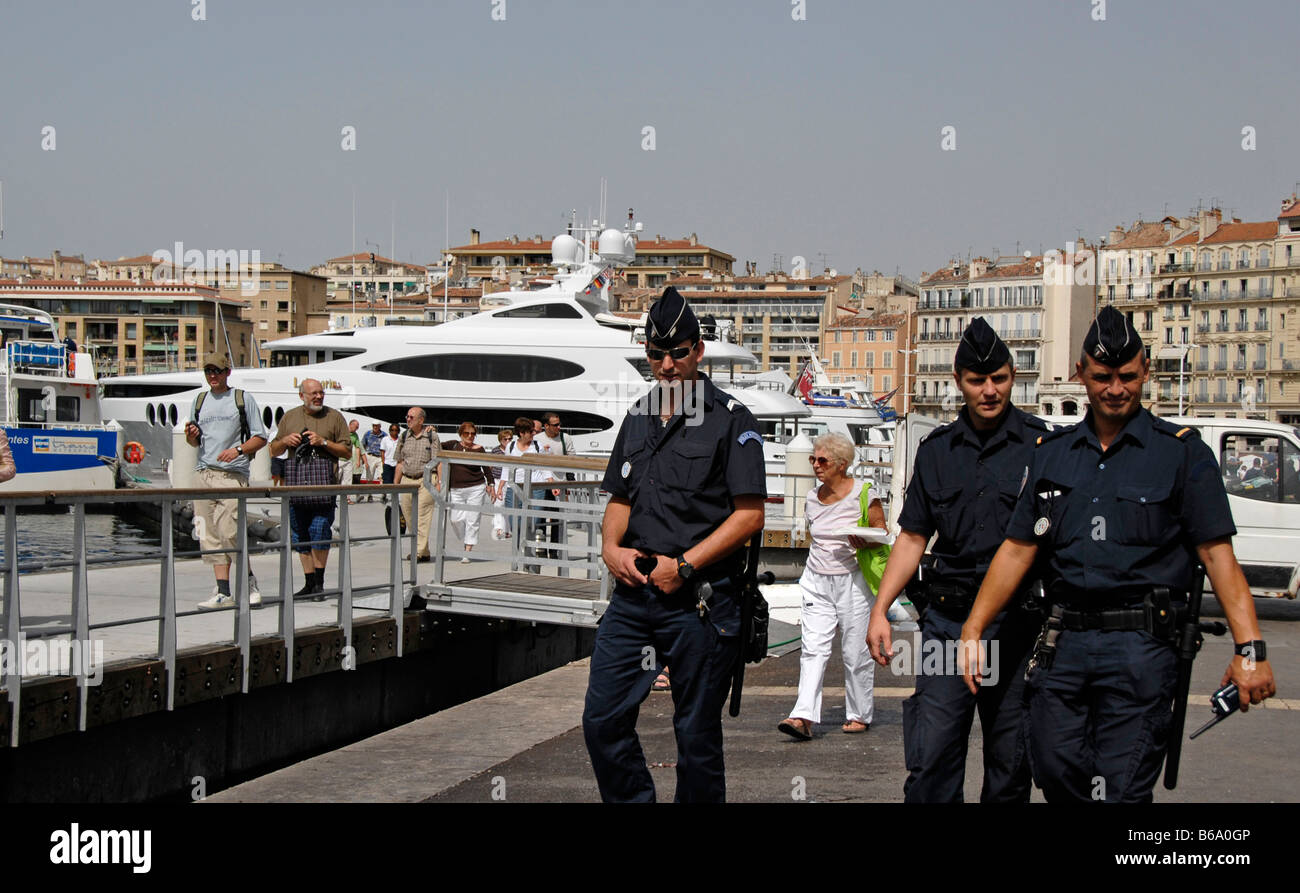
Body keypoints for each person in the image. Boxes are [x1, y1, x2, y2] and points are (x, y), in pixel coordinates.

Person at [958, 306, 1277, 803]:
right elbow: (1018, 550)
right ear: (1081, 374)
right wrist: (974, 629)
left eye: (1128, 376)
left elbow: (1219, 559)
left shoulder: (1182, 454)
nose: (1115, 388)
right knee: (1056, 770)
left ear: (1146, 372)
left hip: (1141, 650)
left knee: (1119, 789)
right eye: (1102, 376)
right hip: (1064, 646)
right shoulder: (1052, 452)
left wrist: (1249, 651)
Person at [582, 286, 766, 802]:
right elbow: (619, 497)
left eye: (678, 353)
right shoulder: (638, 416)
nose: (666, 365)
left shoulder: (732, 420)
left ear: (697, 351)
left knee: (696, 737)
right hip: (634, 599)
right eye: (656, 354)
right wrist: (609, 548)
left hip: (700, 603)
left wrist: (684, 566)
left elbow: (750, 515)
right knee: (602, 721)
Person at [865, 317, 1046, 802]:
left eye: (1000, 379)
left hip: (1017, 627)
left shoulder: (1042, 446)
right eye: (977, 381)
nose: (990, 391)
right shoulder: (937, 451)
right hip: (948, 622)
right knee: (931, 765)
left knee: (1010, 769)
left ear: (1012, 376)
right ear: (958, 381)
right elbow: (912, 538)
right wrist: (881, 609)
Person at [778, 433, 881, 740]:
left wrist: (863, 538)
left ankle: (859, 713)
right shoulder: (812, 497)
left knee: (855, 651)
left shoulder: (864, 491)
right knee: (813, 649)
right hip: (816, 580)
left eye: (822, 460)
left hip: (853, 580)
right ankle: (803, 716)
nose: (816, 465)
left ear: (842, 464)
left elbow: (881, 531)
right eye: (813, 459)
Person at [188, 352, 268, 611]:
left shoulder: (242, 399)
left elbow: (260, 437)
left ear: (227, 372)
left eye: (217, 370)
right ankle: (222, 591)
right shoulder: (199, 401)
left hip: (232, 475)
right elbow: (194, 442)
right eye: (208, 371)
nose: (213, 375)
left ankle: (249, 582)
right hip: (204, 474)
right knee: (209, 535)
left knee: (230, 532)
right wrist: (191, 435)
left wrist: (239, 450)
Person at [268, 379, 351, 597]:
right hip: (296, 485)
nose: (318, 397)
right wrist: (286, 440)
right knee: (300, 535)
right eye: (313, 393)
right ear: (301, 395)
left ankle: (319, 584)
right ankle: (309, 583)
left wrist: (323, 442)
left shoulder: (334, 417)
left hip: (324, 485)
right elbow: (273, 450)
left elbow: (347, 451)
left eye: (321, 393)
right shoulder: (290, 417)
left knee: (320, 530)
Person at [441, 421, 494, 562]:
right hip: (456, 488)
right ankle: (467, 538)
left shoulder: (479, 449)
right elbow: (435, 445)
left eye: (473, 434)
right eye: (466, 433)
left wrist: (491, 484)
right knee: (455, 519)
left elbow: (486, 468)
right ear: (460, 434)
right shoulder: (453, 445)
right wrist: (430, 432)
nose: (470, 436)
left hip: (476, 487)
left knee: (473, 519)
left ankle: (467, 550)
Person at [507, 416, 555, 572]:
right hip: (514, 487)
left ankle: (531, 559)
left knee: (532, 523)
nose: (533, 434)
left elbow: (544, 465)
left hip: (536, 488)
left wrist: (551, 482)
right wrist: (500, 487)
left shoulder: (537, 445)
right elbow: (506, 467)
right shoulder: (511, 446)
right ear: (521, 433)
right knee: (515, 524)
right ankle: (523, 554)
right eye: (530, 432)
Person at [393, 407, 438, 563]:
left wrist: (440, 483)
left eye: (412, 417)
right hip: (407, 479)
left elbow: (438, 461)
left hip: (426, 479)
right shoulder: (404, 436)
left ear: (421, 420)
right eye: (407, 417)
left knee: (423, 515)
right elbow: (399, 462)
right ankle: (424, 551)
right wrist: (394, 485)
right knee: (409, 515)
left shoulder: (432, 436)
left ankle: (417, 551)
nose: (408, 419)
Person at [534, 412, 574, 560]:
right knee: (541, 517)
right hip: (541, 484)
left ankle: (555, 550)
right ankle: (541, 547)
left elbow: (572, 459)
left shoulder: (565, 438)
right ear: (546, 426)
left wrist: (570, 482)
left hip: (560, 483)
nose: (559, 427)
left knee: (558, 518)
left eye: (559, 424)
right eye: (555, 425)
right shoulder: (537, 439)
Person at [489, 428, 512, 539]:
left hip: (509, 480)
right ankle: (499, 528)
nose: (508, 441)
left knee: (507, 504)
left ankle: (507, 529)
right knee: (498, 504)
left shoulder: (513, 450)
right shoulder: (495, 451)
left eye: (510, 439)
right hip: (497, 479)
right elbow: (490, 466)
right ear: (500, 440)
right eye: (505, 439)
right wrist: (489, 484)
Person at [362, 421, 385, 500]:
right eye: (374, 426)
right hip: (370, 456)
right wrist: (363, 457)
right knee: (369, 477)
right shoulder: (367, 434)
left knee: (381, 476)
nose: (375, 427)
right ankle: (369, 495)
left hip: (380, 457)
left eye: (377, 426)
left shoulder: (384, 435)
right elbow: (363, 445)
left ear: (379, 426)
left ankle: (383, 494)